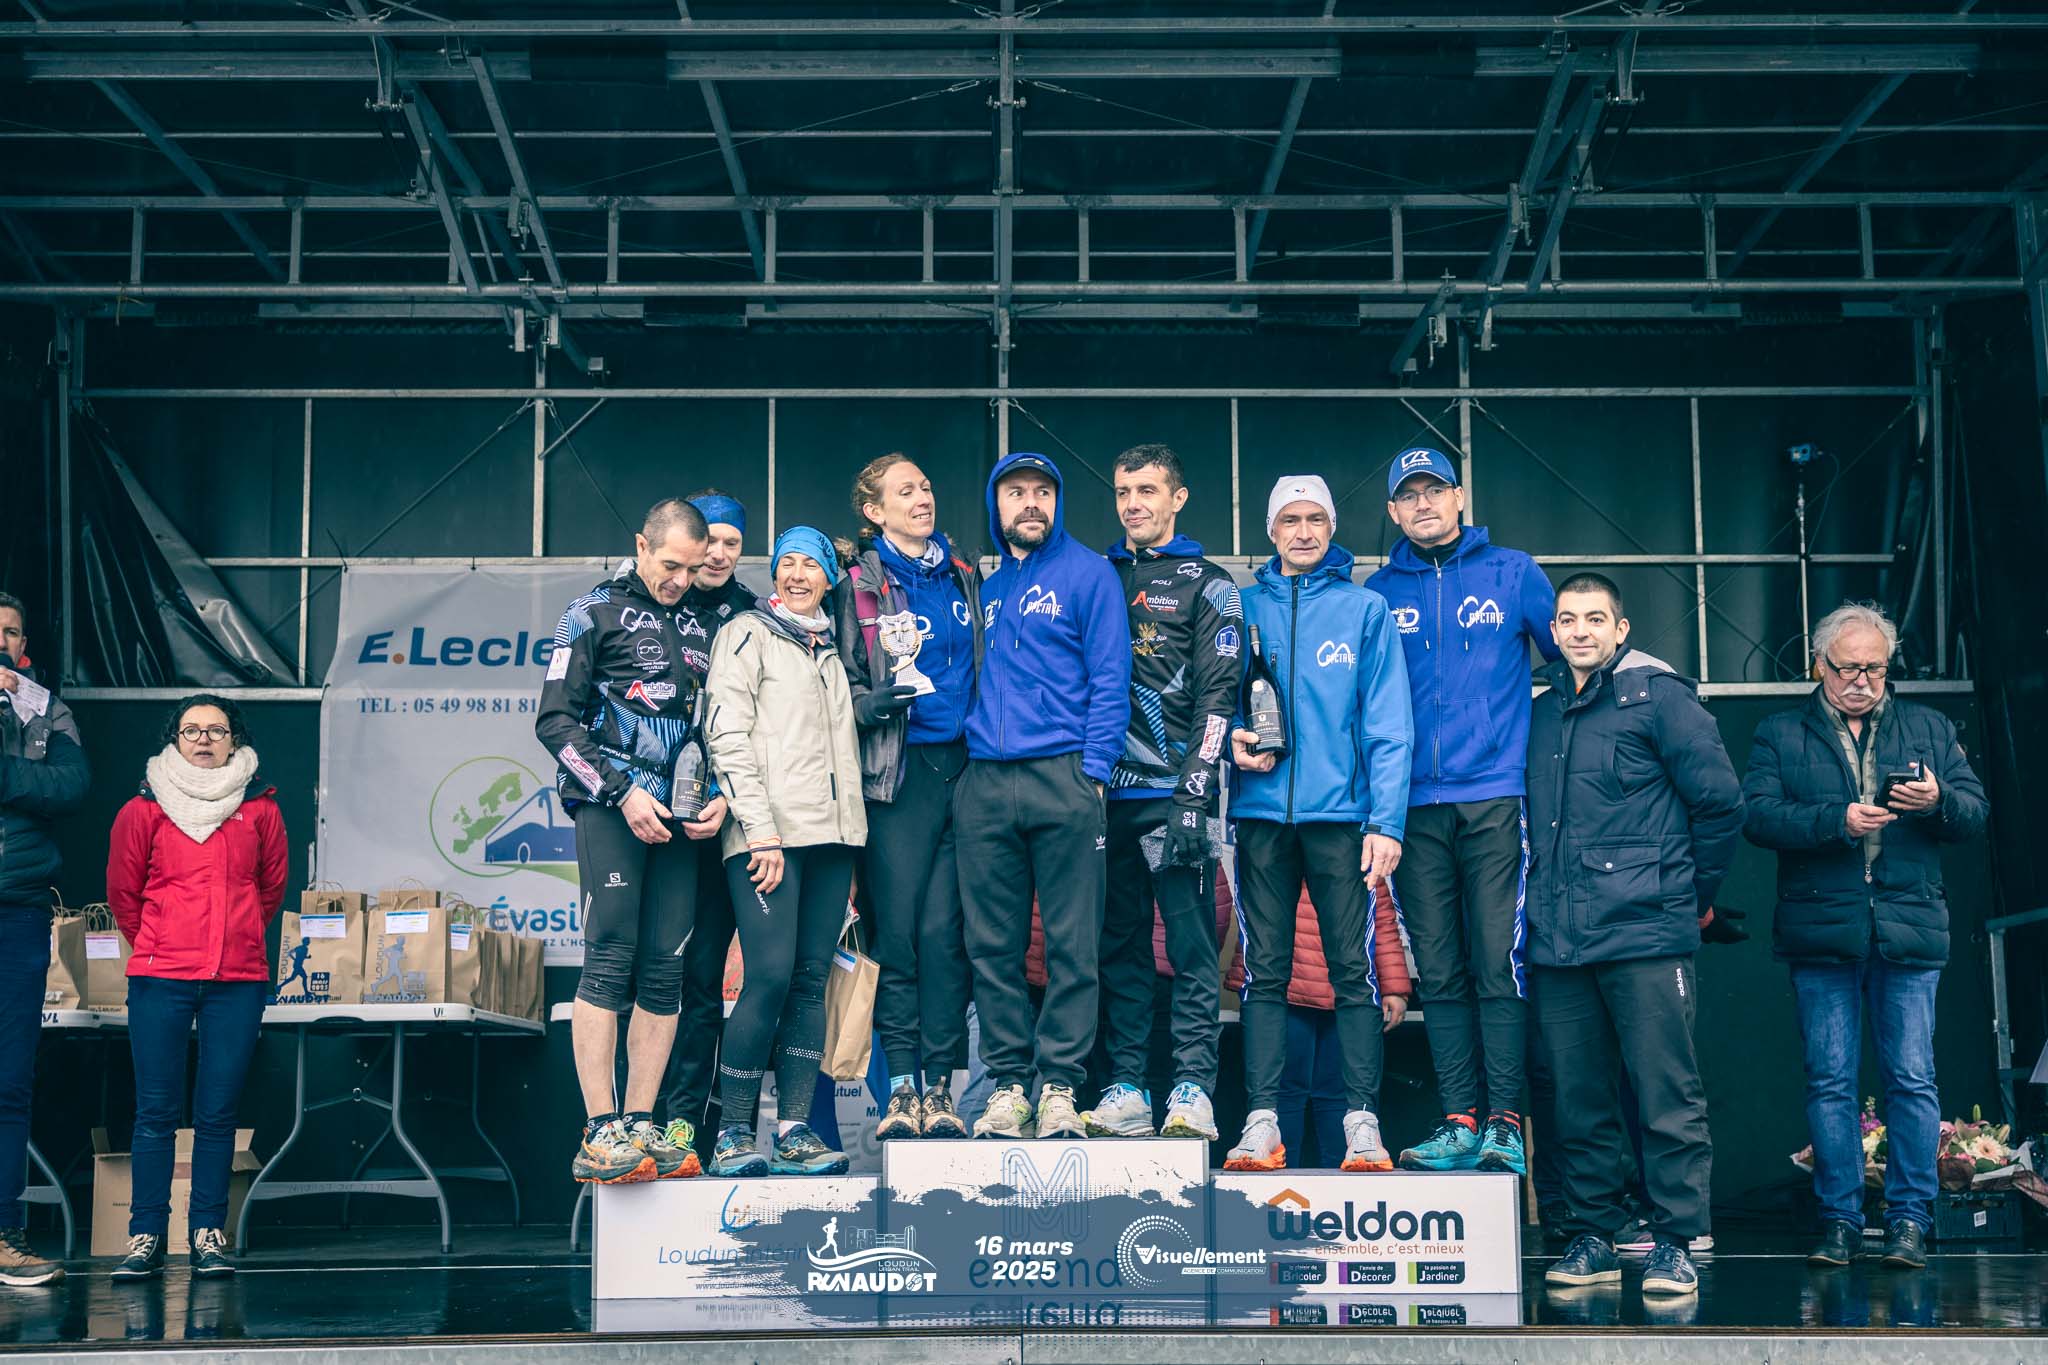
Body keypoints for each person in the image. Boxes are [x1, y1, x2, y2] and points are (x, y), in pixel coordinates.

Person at [1742, 601, 1988, 1271]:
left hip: (1908, 927)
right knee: (1830, 1081)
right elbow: (1756, 815)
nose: (1862, 680)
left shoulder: (1929, 726)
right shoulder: (1780, 732)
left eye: (1875, 668)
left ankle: (1910, 1220)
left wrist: (1938, 801)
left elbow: (1974, 812)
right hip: (1822, 928)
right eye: (1848, 667)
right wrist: (1836, 820)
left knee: (1912, 1079)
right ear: (1818, 665)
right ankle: (1841, 1222)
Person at [1528, 573, 1742, 1300]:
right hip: (1561, 941)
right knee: (1578, 1099)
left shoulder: (1659, 696)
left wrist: (1688, 899)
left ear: (1621, 630)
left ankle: (1678, 1241)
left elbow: (1721, 804)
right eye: (1567, 619)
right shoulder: (1540, 709)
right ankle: (1595, 1233)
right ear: (1553, 631)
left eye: (1595, 618)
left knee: (1665, 1094)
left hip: (1648, 934)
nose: (1579, 631)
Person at [1366, 446, 1558, 1176]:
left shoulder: (1514, 572)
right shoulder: (1378, 592)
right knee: (1440, 970)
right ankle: (1458, 1120)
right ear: (1393, 511)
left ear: (1458, 497)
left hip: (1494, 797)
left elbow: (1572, 661)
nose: (1423, 504)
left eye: (1435, 490)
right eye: (1409, 495)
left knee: (1497, 962)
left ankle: (1505, 1122)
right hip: (1412, 804)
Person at [1224, 476, 1413, 1173]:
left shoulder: (1365, 608)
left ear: (1332, 528)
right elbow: (1216, 702)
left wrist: (1386, 821)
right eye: (1290, 520)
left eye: (1315, 520)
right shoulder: (1241, 606)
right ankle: (1261, 1123)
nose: (1303, 532)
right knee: (1264, 972)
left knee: (1352, 972)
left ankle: (1362, 1125)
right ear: (1270, 530)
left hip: (1341, 818)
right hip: (1260, 814)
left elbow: (1388, 721)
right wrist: (1232, 742)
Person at [537, 498, 722, 1185]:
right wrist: (621, 792)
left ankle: (641, 1124)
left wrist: (720, 794)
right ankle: (600, 1130)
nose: (679, 579)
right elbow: (554, 722)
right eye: (669, 564)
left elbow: (719, 727)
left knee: (666, 969)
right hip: (613, 806)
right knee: (610, 956)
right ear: (640, 545)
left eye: (691, 568)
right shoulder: (590, 611)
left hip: (681, 816)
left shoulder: (707, 622)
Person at [956, 452, 1131, 1140]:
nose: (1030, 503)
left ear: (1057, 502)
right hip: (985, 780)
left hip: (1065, 775)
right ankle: (1008, 1085)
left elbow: (1111, 675)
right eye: (1015, 492)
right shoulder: (986, 584)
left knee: (1071, 944)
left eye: (1042, 492)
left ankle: (1059, 1083)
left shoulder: (1090, 572)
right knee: (992, 945)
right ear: (995, 505)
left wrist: (1094, 771)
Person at [1081, 443, 1241, 1142]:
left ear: (1178, 498)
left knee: (1190, 946)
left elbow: (1219, 698)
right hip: (1102, 797)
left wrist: (1194, 794)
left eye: (1147, 490)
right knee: (1119, 948)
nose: (1133, 504)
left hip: (1176, 796)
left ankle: (1192, 1088)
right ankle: (1126, 1086)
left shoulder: (1211, 583)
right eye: (1123, 492)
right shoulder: (1098, 574)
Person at [105, 695, 287, 1282]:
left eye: (216, 729)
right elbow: (123, 895)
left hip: (237, 979)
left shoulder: (261, 810)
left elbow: (269, 890)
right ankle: (145, 1235)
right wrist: (161, 943)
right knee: (156, 1112)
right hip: (160, 976)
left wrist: (235, 937)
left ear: (235, 740)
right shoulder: (143, 809)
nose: (204, 739)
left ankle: (207, 1233)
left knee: (217, 1112)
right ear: (175, 739)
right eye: (191, 730)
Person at [703, 527, 867, 1176]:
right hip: (767, 837)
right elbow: (726, 734)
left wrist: (851, 839)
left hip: (832, 840)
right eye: (786, 563)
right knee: (768, 976)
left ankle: (795, 1132)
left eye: (811, 563)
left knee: (809, 981)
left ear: (829, 577)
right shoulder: (747, 632)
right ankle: (732, 1135)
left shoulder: (834, 647)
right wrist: (759, 831)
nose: (797, 573)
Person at [833, 455, 984, 1141]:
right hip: (897, 776)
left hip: (966, 771)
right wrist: (863, 706)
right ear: (875, 511)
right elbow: (832, 682)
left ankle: (942, 1089)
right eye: (905, 491)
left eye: (926, 485)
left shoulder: (964, 574)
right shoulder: (858, 583)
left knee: (944, 938)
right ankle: (900, 1090)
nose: (922, 497)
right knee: (896, 936)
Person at [656, 490, 760, 1160]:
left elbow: (762, 727)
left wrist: (727, 796)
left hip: (727, 824)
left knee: (723, 980)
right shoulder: (658, 602)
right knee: (670, 977)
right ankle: (663, 1124)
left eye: (731, 543)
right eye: (709, 541)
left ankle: (717, 1129)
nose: (718, 555)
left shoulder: (754, 614)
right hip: (655, 823)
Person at [0, 593, 87, 1289]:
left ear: (23, 643)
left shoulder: (46, 710)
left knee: (8, 1080)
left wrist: (6, 773)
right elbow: (43, 788)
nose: (0, 640)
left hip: (19, 912)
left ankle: (3, 1235)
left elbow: (71, 786)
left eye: (9, 631)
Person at [1221, 876, 1412, 1167]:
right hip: (1290, 995)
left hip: (1342, 1000)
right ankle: (1284, 1174)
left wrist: (1395, 988)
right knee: (1289, 1094)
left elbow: (1382, 923)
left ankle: (1335, 1177)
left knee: (1334, 1095)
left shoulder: (1361, 860)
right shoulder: (1275, 858)